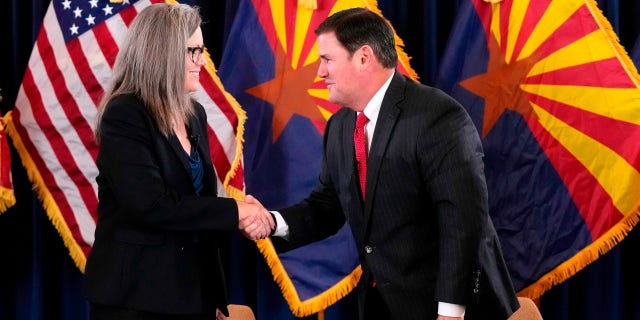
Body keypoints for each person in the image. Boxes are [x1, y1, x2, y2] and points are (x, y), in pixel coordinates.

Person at [261, 7, 520, 320]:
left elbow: (463, 222)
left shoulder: (437, 117)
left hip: (448, 307)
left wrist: (451, 311)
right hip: (381, 304)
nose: (319, 72)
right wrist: (272, 222)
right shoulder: (341, 126)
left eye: (327, 59)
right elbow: (326, 207)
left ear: (364, 57)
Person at [83, 4, 274, 320]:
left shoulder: (194, 115)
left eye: (202, 50)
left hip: (192, 296)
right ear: (162, 54)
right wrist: (235, 211)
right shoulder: (126, 114)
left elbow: (197, 201)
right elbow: (151, 205)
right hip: (135, 300)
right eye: (192, 51)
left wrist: (216, 294)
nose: (201, 61)